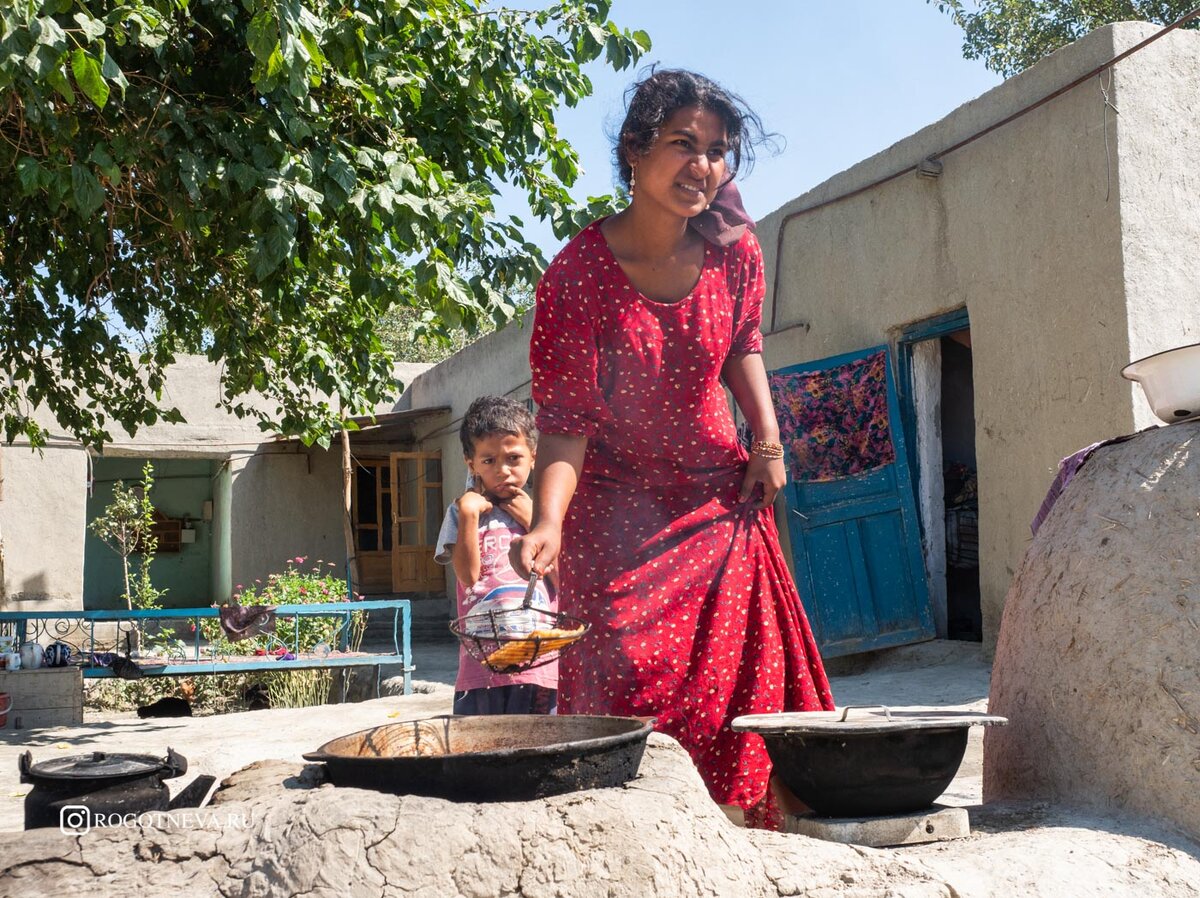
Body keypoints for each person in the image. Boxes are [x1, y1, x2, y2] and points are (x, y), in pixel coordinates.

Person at [511, 68, 834, 826]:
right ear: (633, 150)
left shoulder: (735, 253)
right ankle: (630, 843)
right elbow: (564, 419)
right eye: (683, 143)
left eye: (718, 151)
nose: (704, 165)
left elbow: (743, 345)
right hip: (614, 521)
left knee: (739, 691)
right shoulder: (576, 277)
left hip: (719, 505)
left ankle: (734, 845)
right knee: (627, 685)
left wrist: (769, 439)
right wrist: (548, 521)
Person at [436, 395, 557, 715]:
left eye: (513, 458)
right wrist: (469, 515)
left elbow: (563, 577)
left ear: (533, 457)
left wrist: (534, 520)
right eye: (488, 460)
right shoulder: (459, 513)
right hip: (481, 669)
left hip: (540, 664)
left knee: (543, 749)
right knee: (477, 753)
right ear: (470, 462)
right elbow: (467, 576)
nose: (503, 470)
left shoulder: (548, 516)